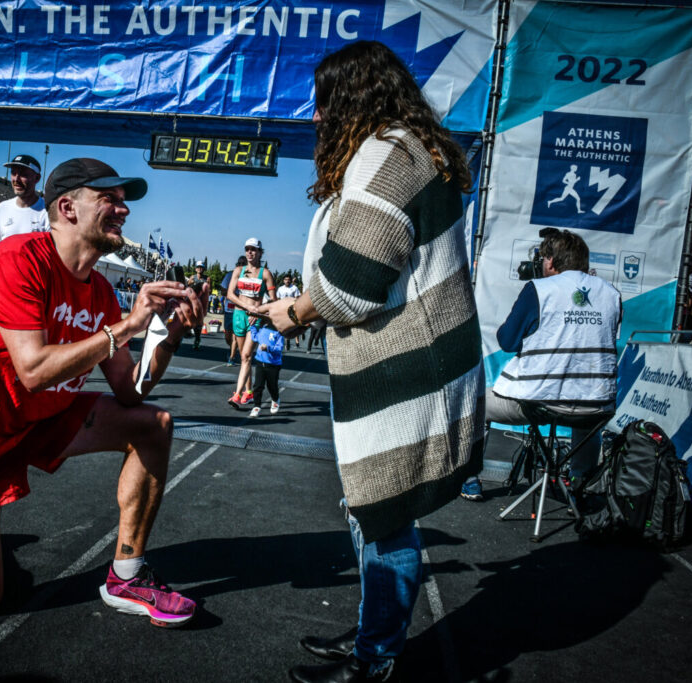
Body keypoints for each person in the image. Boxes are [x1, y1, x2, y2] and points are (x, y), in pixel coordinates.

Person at [260, 42, 484, 682]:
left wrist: (294, 312)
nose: (316, 119)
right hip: (409, 366)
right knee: (377, 512)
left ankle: (375, 658)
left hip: (403, 372)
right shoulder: (415, 147)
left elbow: (349, 286)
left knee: (384, 515)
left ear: (351, 98)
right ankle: (372, 632)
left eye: (324, 104)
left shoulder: (387, 155)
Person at [0, 158, 205, 624]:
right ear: (67, 207)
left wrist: (166, 335)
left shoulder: (102, 292)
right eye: (110, 199)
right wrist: (127, 326)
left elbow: (130, 391)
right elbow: (33, 369)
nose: (123, 211)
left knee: (153, 425)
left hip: (43, 417)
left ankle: (127, 574)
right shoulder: (17, 261)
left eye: (124, 202)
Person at [460, 229, 621, 501]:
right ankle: (580, 484)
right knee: (586, 411)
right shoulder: (611, 293)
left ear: (550, 261)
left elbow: (507, 341)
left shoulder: (539, 289)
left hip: (540, 402)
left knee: (477, 404)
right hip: (595, 405)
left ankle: (470, 478)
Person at [226, 239, 276, 407]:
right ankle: (248, 392)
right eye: (247, 249)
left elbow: (273, 302)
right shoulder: (238, 270)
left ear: (260, 252)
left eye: (253, 249)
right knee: (243, 357)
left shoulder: (266, 273)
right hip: (239, 316)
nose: (250, 252)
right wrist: (247, 306)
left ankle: (237, 395)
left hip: (254, 319)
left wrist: (259, 311)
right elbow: (230, 295)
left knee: (247, 356)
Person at [0, 154, 49, 244]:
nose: (16, 179)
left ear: (37, 178)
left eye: (23, 174)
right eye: (13, 173)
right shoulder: (2, 208)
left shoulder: (48, 211)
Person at [248, 321, 284, 418]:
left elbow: (279, 348)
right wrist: (252, 326)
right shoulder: (263, 329)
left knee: (272, 386)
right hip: (260, 362)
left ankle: (275, 399)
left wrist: (268, 348)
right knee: (258, 385)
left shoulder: (279, 332)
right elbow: (254, 337)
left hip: (273, 365)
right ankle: (256, 406)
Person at [219, 255, 246, 365]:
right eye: (239, 264)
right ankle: (232, 348)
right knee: (228, 336)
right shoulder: (230, 275)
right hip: (229, 309)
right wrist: (235, 295)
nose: (241, 266)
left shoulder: (248, 277)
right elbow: (223, 291)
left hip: (240, 310)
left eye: (243, 264)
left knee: (236, 334)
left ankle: (232, 356)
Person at [186, 260, 211, 350]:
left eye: (201, 267)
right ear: (196, 269)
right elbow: (187, 287)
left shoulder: (207, 278)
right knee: (189, 317)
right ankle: (188, 331)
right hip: (192, 301)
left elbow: (209, 291)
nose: (199, 269)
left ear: (203, 269)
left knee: (199, 322)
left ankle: (197, 339)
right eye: (198, 267)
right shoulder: (192, 277)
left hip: (201, 303)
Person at [276, 274, 303, 348]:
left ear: (290, 280)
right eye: (286, 279)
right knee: (282, 325)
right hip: (282, 310)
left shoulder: (294, 288)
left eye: (288, 279)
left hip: (291, 309)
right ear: (283, 280)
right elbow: (278, 299)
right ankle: (285, 340)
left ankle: (296, 340)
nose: (287, 281)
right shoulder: (280, 289)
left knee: (294, 325)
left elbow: (297, 298)